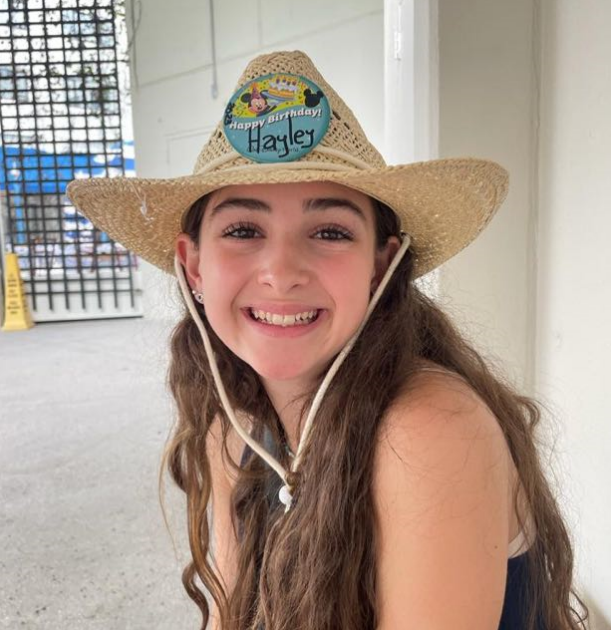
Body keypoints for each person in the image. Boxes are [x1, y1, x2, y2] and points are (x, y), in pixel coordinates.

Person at [67, 51, 588, 630]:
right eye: (243, 229)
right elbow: (227, 612)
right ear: (193, 265)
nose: (281, 272)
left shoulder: (428, 430)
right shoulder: (232, 428)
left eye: (331, 232)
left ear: (380, 265)